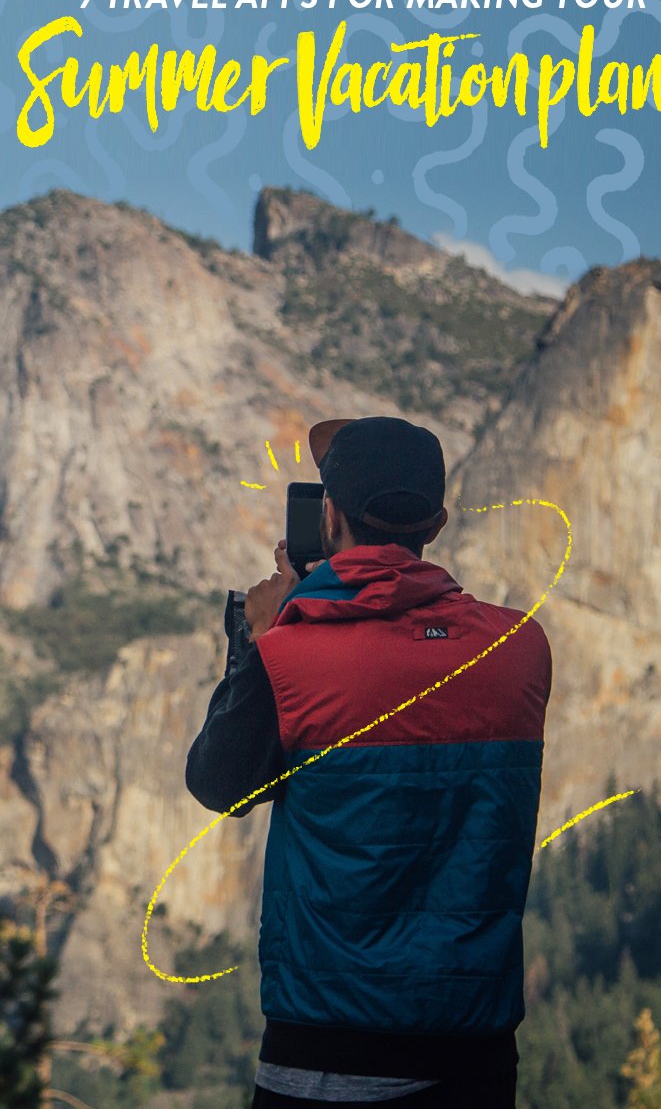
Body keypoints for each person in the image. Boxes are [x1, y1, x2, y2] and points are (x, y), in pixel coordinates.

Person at [185, 416, 552, 1108]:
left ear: (327, 516)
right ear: (436, 524)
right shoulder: (521, 648)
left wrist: (262, 640)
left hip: (326, 1053)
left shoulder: (293, 656)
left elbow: (219, 784)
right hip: (477, 1055)